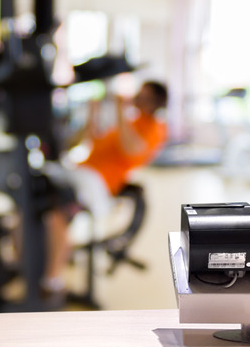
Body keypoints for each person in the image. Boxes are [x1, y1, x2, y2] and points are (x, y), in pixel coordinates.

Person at [42, 80, 168, 295]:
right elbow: (93, 140)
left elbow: (132, 150)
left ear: (155, 102)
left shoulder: (155, 128)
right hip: (81, 173)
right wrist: (94, 112)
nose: (137, 98)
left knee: (56, 218)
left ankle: (51, 281)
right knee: (39, 208)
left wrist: (120, 109)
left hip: (98, 183)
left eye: (144, 96)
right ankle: (39, 269)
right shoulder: (130, 121)